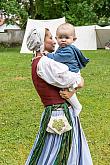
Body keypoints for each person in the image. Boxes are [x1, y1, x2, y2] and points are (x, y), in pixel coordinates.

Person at [25, 26, 93, 165]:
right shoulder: (46, 63)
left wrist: (72, 89)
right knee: (60, 151)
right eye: (50, 38)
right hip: (60, 114)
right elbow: (75, 80)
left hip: (53, 112)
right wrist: (79, 82)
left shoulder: (36, 61)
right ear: (41, 42)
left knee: (48, 148)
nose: (55, 41)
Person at [44, 23, 89, 116]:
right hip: (71, 73)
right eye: (60, 37)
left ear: (74, 39)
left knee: (67, 92)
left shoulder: (68, 50)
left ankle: (77, 106)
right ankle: (74, 105)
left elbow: (58, 58)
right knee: (66, 90)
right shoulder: (63, 47)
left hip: (72, 74)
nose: (63, 40)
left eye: (67, 38)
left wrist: (47, 54)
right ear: (56, 39)